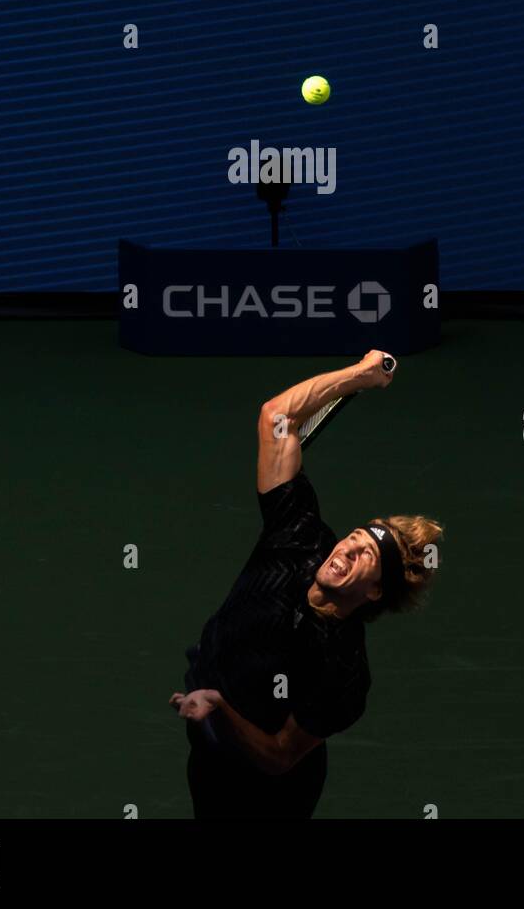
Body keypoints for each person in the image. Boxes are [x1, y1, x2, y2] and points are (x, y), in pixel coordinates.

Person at [169, 349, 444, 819]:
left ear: (375, 591)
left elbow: (278, 754)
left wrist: (218, 709)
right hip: (208, 744)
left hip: (268, 793)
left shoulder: (343, 671)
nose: (347, 550)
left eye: (366, 556)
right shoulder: (297, 538)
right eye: (354, 537)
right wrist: (357, 377)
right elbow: (277, 417)